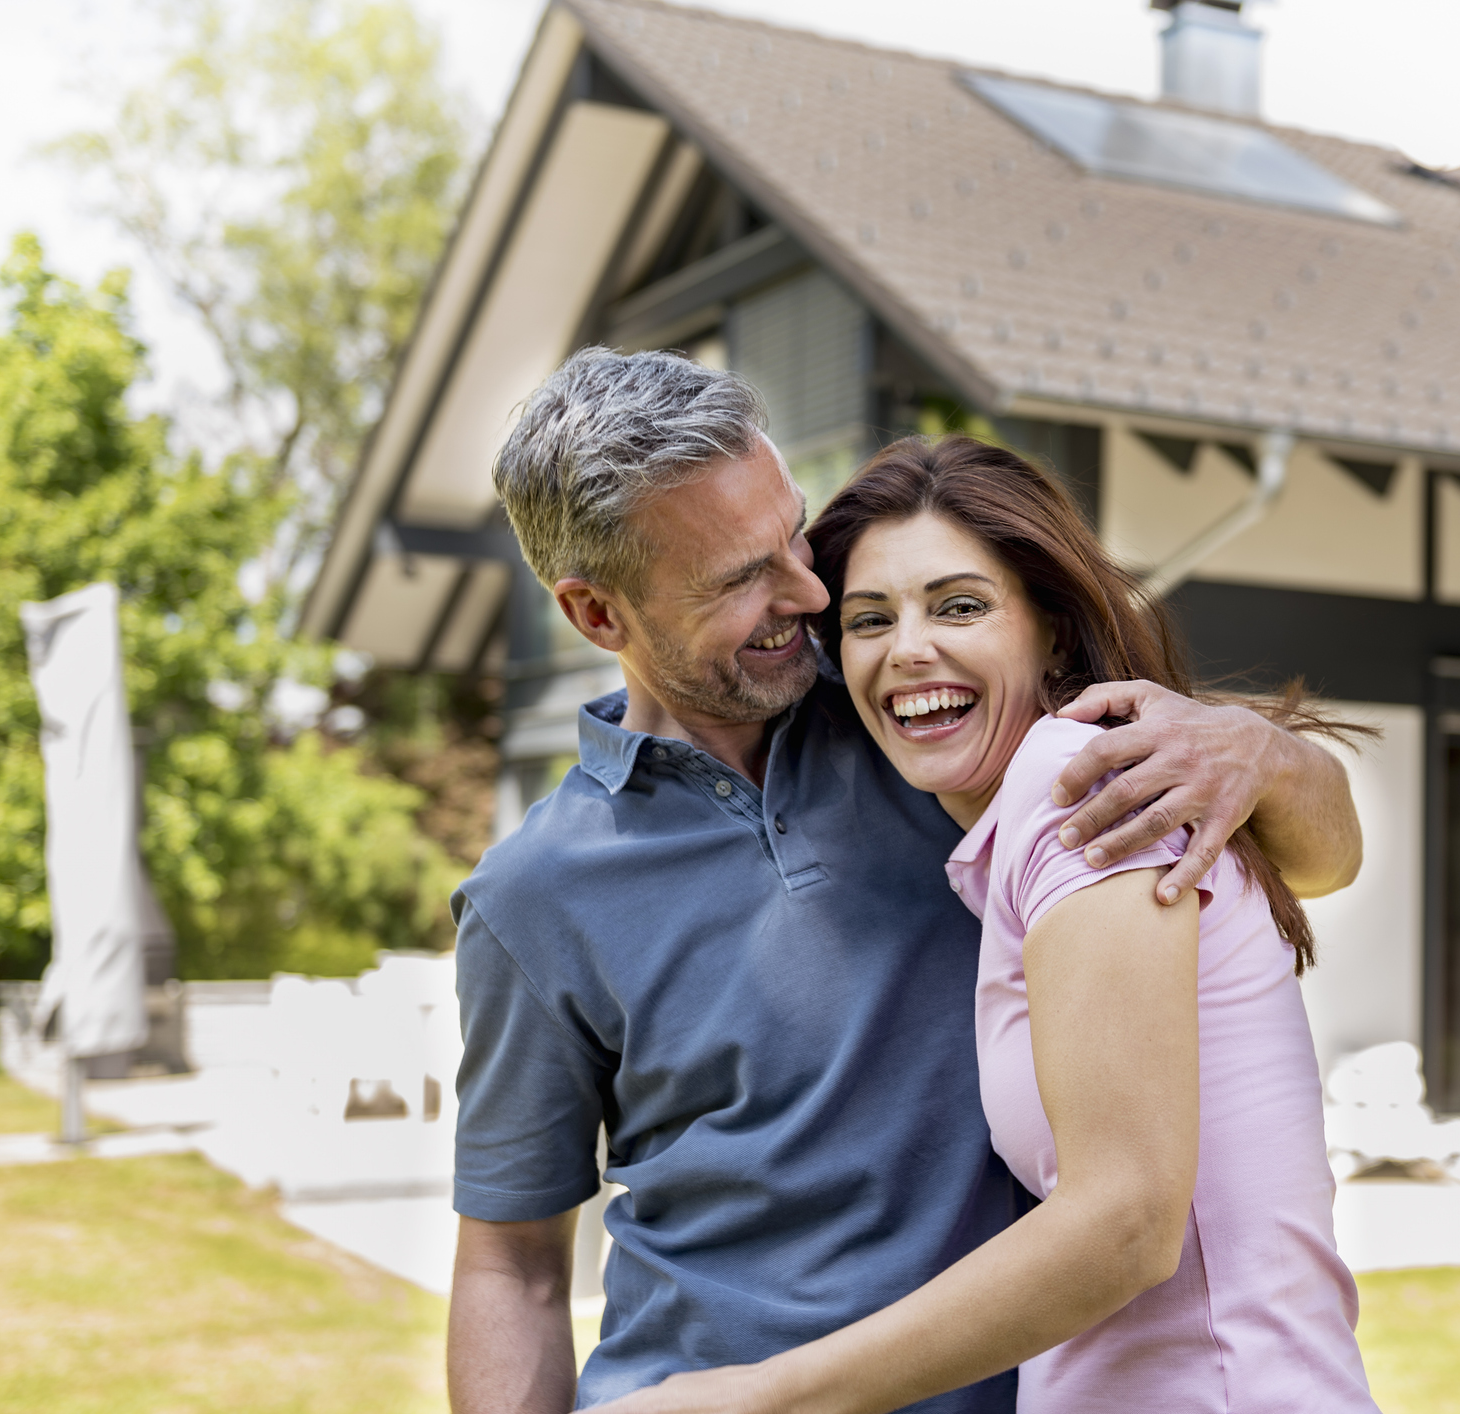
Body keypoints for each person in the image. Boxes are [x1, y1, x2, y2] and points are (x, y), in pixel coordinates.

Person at [447, 350, 1364, 1414]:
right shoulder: (535, 893)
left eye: (790, 534)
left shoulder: (938, 722)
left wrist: (1259, 749)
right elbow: (508, 1259)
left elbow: (1313, 859)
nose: (807, 591)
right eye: (739, 578)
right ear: (598, 616)